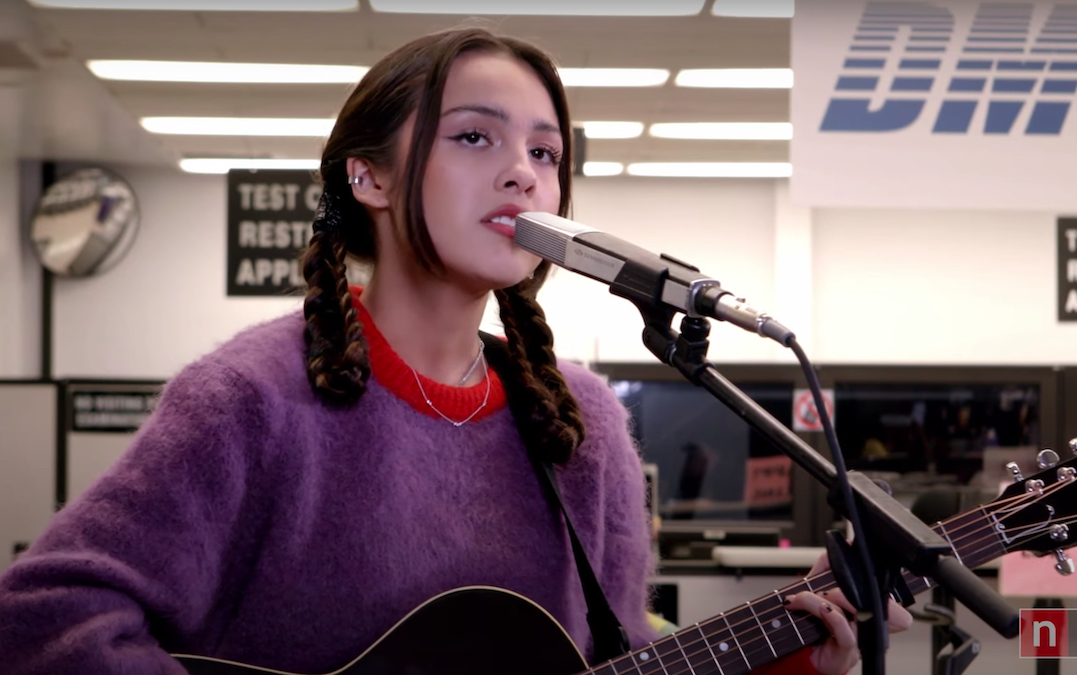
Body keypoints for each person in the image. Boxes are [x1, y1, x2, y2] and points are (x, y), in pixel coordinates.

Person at [0, 27, 908, 675]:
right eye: (475, 136)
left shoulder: (579, 421)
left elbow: (620, 657)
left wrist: (790, 658)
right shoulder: (251, 397)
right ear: (371, 175)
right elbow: (41, 617)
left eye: (546, 152)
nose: (524, 171)